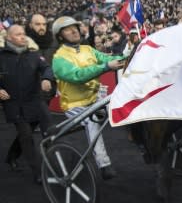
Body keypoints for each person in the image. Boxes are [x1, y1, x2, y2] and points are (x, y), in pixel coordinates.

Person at [51, 16, 124, 180]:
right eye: (68, 29)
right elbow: (77, 76)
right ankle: (104, 164)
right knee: (92, 121)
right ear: (60, 36)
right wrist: (105, 67)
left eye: (75, 27)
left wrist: (127, 57)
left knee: (123, 103)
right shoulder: (59, 58)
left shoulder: (88, 49)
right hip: (74, 105)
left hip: (95, 99)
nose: (74, 30)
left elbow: (108, 59)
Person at [0, 25, 54, 183]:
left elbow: (47, 68)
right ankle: (38, 172)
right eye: (18, 35)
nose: (22, 37)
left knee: (34, 132)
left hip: (35, 102)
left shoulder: (34, 55)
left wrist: (46, 79)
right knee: (26, 136)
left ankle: (11, 157)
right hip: (13, 104)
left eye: (23, 34)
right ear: (8, 38)